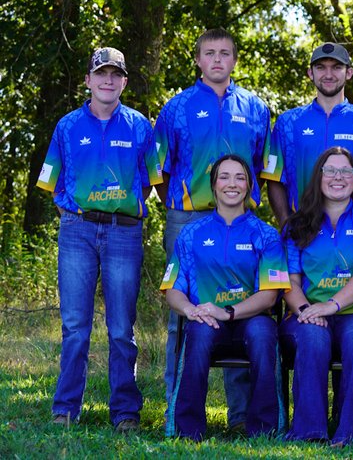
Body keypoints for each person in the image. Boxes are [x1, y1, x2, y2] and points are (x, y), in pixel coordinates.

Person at [37, 48, 161, 431]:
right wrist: (77, 218)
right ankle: (65, 409)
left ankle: (125, 411)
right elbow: (51, 182)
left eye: (116, 74)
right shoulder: (67, 126)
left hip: (124, 232)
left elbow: (152, 182)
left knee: (122, 326)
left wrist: (118, 212)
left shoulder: (141, 126)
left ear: (124, 81)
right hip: (77, 231)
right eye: (101, 74)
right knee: (75, 325)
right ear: (88, 81)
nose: (108, 80)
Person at [155, 28, 270, 425]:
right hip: (188, 217)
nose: (217, 60)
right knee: (182, 313)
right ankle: (176, 408)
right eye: (209, 53)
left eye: (225, 53)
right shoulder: (176, 107)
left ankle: (240, 414)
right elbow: (159, 170)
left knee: (238, 304)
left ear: (234, 60)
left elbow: (262, 167)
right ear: (199, 60)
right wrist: (181, 209)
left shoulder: (255, 108)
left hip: (241, 219)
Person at [160, 154, 288, 440]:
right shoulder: (190, 234)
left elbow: (270, 296)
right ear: (214, 185)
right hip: (205, 319)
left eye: (240, 177)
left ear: (250, 186)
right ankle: (186, 429)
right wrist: (190, 310)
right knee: (198, 333)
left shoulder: (267, 236)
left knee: (264, 333)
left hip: (251, 319)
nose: (233, 184)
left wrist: (227, 312)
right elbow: (173, 289)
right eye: (225, 177)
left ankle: (265, 429)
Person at [279, 147, 353, 445]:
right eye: (330, 170)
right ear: (318, 176)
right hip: (306, 313)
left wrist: (330, 306)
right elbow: (289, 281)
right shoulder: (296, 225)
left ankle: (351, 434)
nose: (338, 177)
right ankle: (309, 431)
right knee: (312, 338)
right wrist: (307, 309)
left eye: (346, 171)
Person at [263, 42, 353, 222]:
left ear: (349, 73)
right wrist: (285, 223)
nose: (328, 75)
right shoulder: (287, 122)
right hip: (302, 231)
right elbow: (274, 178)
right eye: (321, 67)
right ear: (310, 73)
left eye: (336, 67)